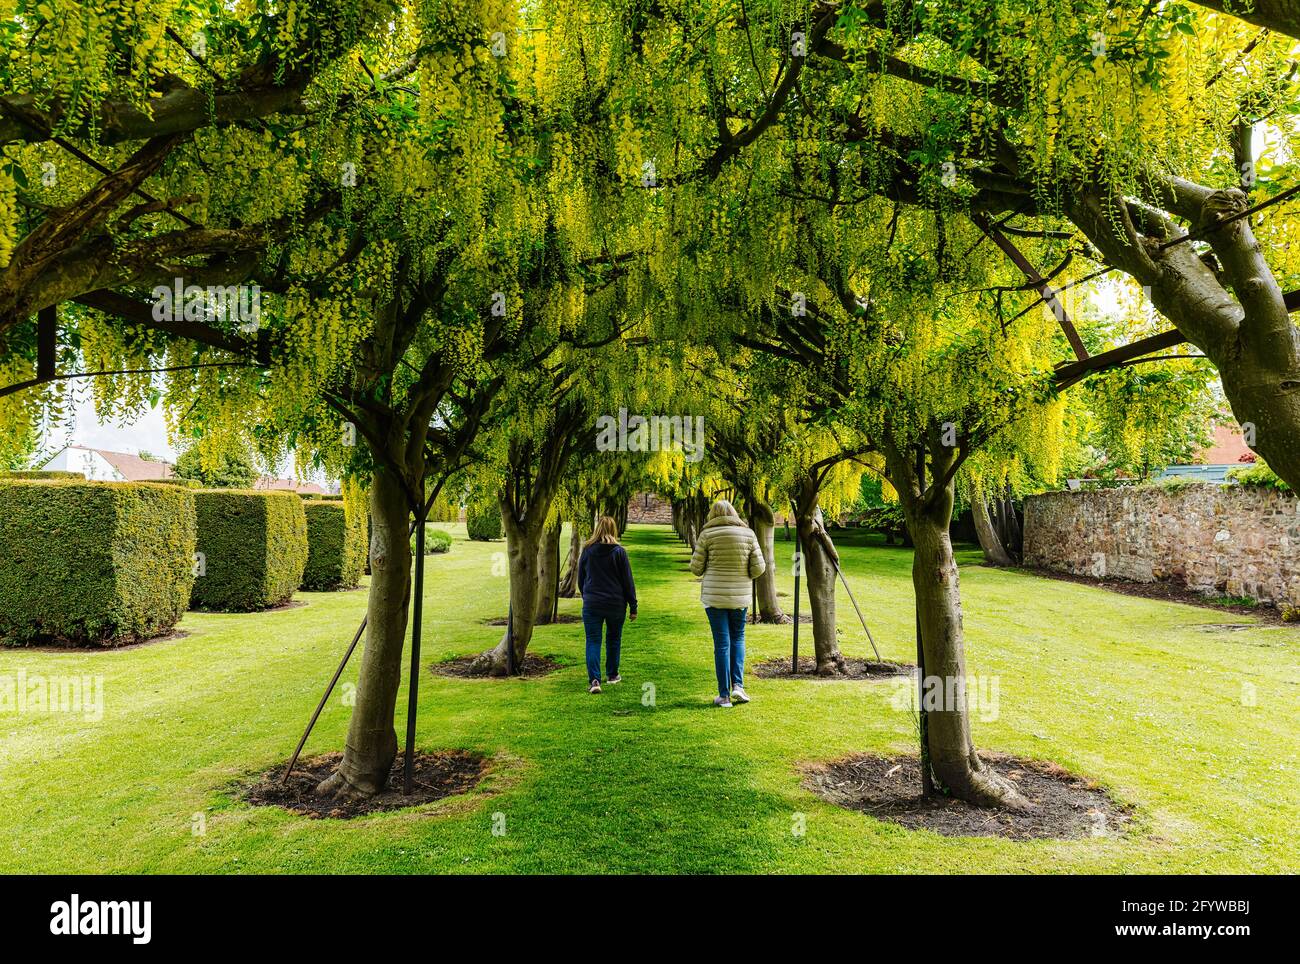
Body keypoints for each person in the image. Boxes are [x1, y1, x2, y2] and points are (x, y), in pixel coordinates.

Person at [689, 499, 765, 707]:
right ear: (734, 513)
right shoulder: (748, 534)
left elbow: (696, 568)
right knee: (738, 638)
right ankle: (738, 686)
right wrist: (744, 573)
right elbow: (759, 568)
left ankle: (723, 696)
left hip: (714, 597)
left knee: (722, 643)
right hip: (740, 597)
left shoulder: (707, 535)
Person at [577, 515, 638, 694]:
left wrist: (587, 595)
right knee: (613, 639)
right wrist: (633, 606)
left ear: (597, 529)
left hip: (592, 603)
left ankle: (595, 680)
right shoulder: (619, 552)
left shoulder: (587, 550)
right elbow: (628, 582)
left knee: (593, 640)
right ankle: (612, 675)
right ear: (613, 530)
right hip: (615, 603)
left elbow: (581, 578)